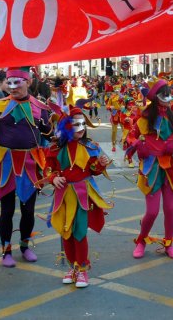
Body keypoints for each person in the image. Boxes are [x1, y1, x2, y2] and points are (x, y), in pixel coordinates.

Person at [0, 66, 53, 268]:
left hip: (30, 163)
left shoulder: (40, 107)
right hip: (6, 163)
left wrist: (62, 125)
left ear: (29, 82)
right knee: (6, 210)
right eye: (9, 82)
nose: (13, 86)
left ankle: (25, 247)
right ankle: (6, 250)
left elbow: (50, 134)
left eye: (18, 82)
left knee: (28, 210)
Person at [44, 106, 112, 288]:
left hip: (83, 194)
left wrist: (101, 165)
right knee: (66, 232)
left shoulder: (90, 147)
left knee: (80, 232)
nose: (80, 128)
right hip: (64, 194)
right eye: (76, 125)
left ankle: (82, 269)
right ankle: (72, 267)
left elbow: (93, 170)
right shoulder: (55, 148)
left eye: (83, 124)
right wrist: (53, 178)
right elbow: (48, 169)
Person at [126, 77, 173, 259]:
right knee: (152, 211)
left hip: (170, 166)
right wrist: (139, 145)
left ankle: (168, 244)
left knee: (170, 209)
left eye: (169, 95)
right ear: (156, 97)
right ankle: (141, 240)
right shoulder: (143, 118)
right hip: (151, 168)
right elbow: (129, 138)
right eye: (164, 95)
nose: (167, 98)